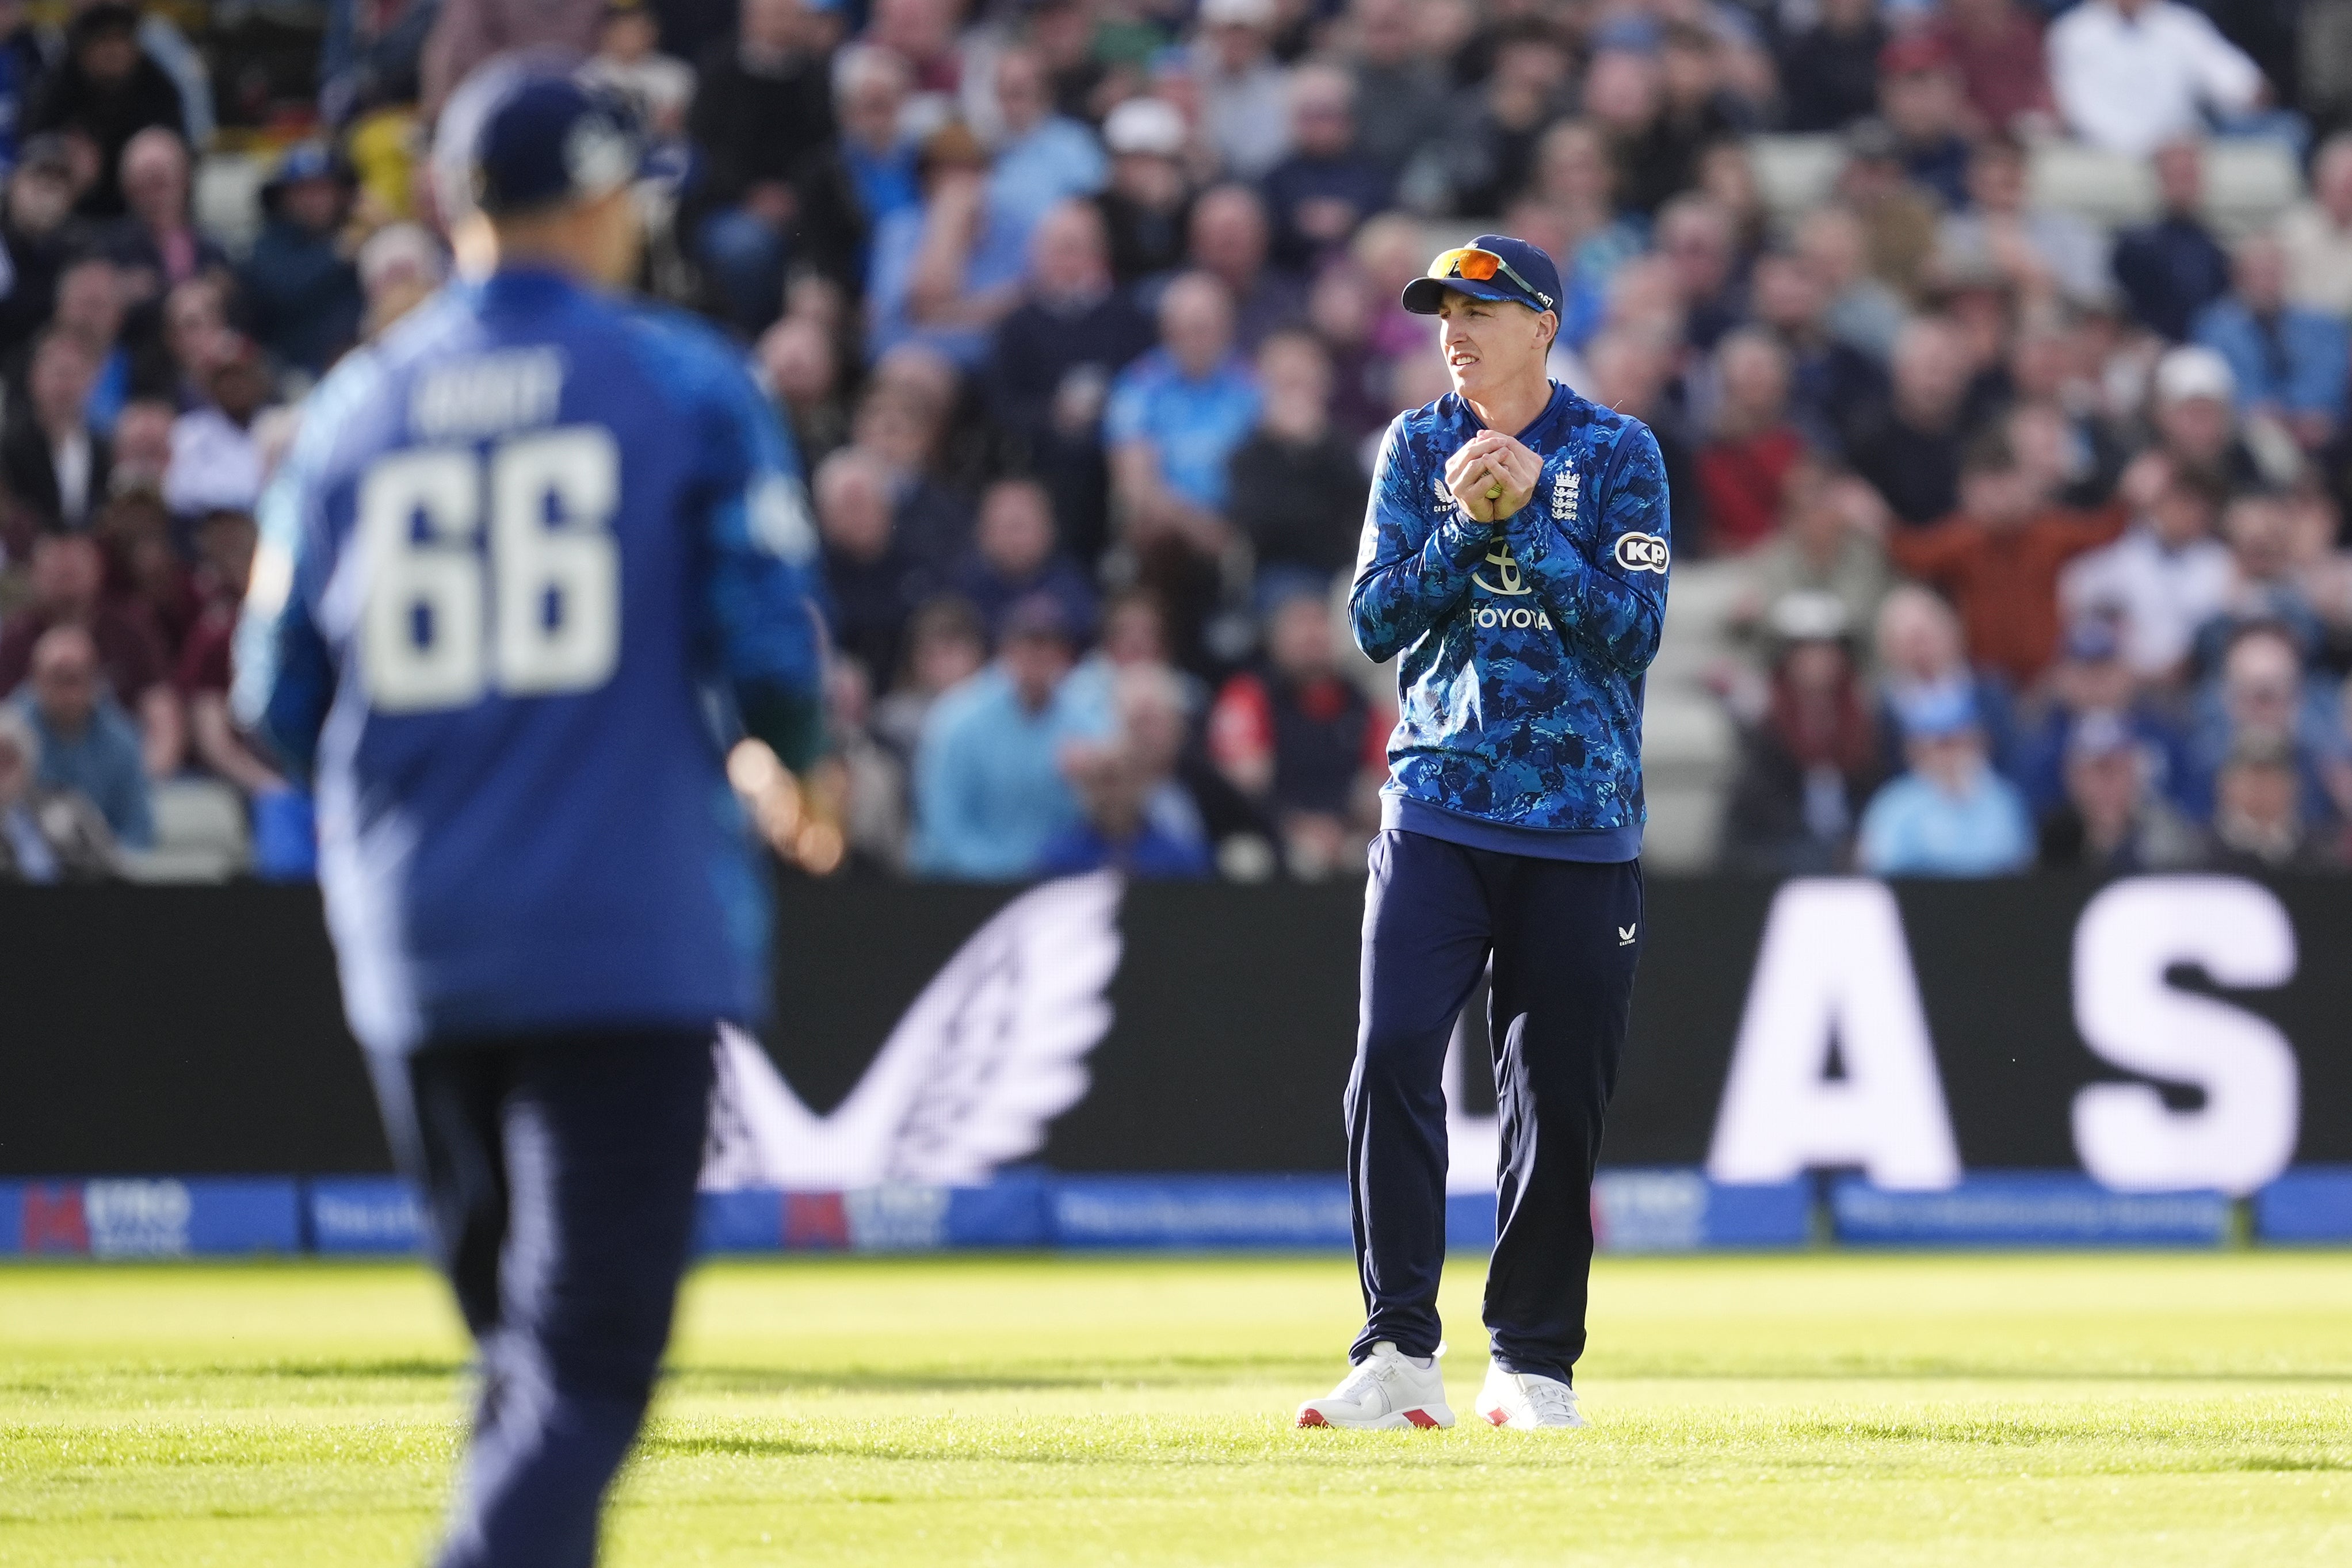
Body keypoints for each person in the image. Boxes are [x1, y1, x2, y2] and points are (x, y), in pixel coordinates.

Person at [232, 64, 828, 1568]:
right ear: (597, 199)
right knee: (583, 1369)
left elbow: (274, 694)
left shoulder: (355, 406)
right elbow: (769, 645)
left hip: (418, 939)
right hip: (619, 923)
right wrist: (789, 757)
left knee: (519, 1355)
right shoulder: (683, 379)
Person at [1297, 235, 1668, 1433]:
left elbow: (1632, 631)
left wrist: (1527, 524)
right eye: (1441, 311)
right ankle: (1399, 1348)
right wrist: (1467, 524)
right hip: (1438, 805)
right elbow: (1371, 618)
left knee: (1556, 1097)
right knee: (1392, 1054)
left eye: (1480, 308)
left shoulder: (1618, 452)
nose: (1454, 330)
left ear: (1543, 323)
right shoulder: (1413, 448)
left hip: (1580, 825)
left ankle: (1532, 1364)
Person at [910, 593, 1109, 878]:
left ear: (1064, 656)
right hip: (967, 887)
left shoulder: (1090, 722)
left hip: (1060, 885)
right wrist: (1002, 878)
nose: (1037, 658)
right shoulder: (956, 720)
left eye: (1048, 647)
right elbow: (942, 829)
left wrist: (1092, 781)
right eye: (1027, 646)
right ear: (1006, 650)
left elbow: (1113, 824)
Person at [1224, 330, 1367, 583]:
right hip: (1279, 574)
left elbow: (1362, 508)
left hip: (1345, 568)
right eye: (1286, 384)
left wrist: (1315, 445)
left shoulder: (1341, 444)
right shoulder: (1248, 453)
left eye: (1303, 383)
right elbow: (1261, 526)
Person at [2047, 0, 2265, 159]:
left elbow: (2242, 86)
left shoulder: (2182, 26)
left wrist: (2250, 94)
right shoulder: (2072, 32)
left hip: (2175, 157)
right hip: (2100, 155)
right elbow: (2068, 108)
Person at [1855, 684, 2034, 877]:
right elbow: (1880, 871)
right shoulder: (1895, 804)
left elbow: (2020, 866)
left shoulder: (2004, 800)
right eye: (1941, 744)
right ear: (1916, 750)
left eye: (1959, 741)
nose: (1951, 754)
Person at [18, 622, 152, 849]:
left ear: (95, 679)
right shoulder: (10, 740)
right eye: (58, 678)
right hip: (22, 873)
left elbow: (137, 830)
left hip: (103, 874)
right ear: (36, 678)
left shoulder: (123, 742)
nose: (68, 693)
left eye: (76, 679)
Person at [2111, 139, 2232, 343]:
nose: (2183, 185)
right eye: (2175, 176)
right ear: (2159, 179)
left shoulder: (2216, 247)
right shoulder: (2134, 244)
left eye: (2188, 176)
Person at [0, 699, 119, 881]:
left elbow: (110, 868)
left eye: (8, 760)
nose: (2, 771)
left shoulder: (70, 806)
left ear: (28, 763)